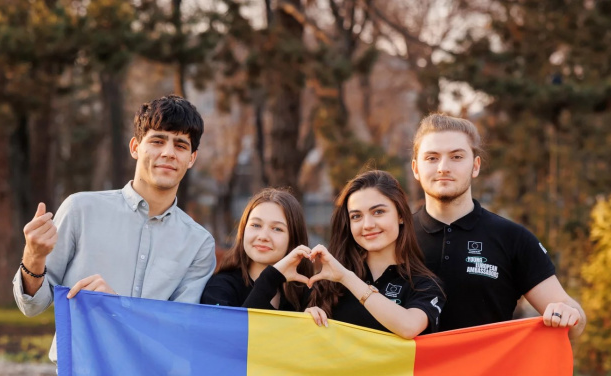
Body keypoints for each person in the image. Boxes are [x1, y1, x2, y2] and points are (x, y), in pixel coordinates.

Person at [13, 95, 216, 376]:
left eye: (180, 145)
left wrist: (117, 309)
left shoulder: (199, 244)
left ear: (192, 159)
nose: (168, 152)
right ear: (136, 147)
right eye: (158, 140)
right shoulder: (81, 209)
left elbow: (180, 332)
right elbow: (33, 304)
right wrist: (34, 257)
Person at [411, 113, 586, 338]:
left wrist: (567, 313)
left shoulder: (512, 238)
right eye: (432, 158)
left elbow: (574, 320)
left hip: (490, 363)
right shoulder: (395, 237)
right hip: (411, 363)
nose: (443, 167)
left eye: (456, 157)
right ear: (416, 168)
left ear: (475, 166)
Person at [304, 170, 445, 339]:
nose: (368, 225)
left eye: (378, 212)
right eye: (356, 216)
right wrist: (307, 320)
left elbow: (409, 327)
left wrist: (346, 278)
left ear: (400, 215)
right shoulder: (328, 283)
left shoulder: (425, 285)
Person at [200, 188, 312, 311]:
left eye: (277, 229)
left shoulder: (303, 292)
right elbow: (235, 324)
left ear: (294, 237)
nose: (263, 237)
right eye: (256, 225)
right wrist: (270, 279)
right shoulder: (220, 287)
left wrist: (312, 318)